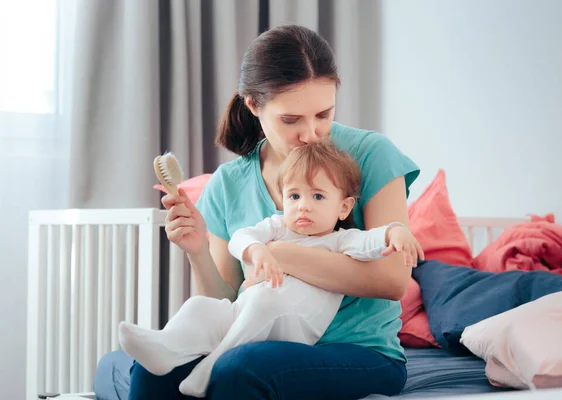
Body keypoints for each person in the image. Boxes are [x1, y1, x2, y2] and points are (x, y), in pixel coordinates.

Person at [128, 24, 421, 400]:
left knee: (240, 370)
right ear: (252, 104)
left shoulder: (370, 154)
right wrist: (197, 250)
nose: (312, 133)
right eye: (291, 119)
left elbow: (392, 280)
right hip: (258, 335)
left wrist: (280, 254)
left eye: (323, 114)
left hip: (360, 353)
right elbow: (228, 299)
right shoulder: (228, 183)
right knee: (152, 373)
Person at [119, 141, 422, 398]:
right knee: (200, 306)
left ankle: (209, 366)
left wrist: (395, 233)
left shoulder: (341, 240)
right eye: (294, 196)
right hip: (248, 312)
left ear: (343, 208)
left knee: (264, 303)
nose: (303, 206)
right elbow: (242, 237)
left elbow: (371, 241)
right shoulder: (278, 227)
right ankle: (165, 344)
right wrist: (257, 250)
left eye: (317, 197)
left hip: (294, 326)